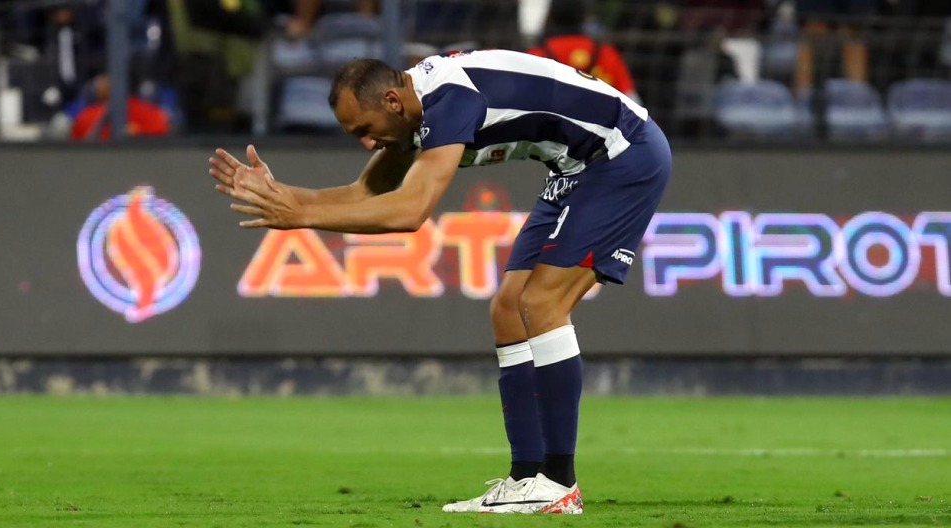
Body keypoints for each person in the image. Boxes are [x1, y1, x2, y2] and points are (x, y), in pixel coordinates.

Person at [208, 49, 671, 514]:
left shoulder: (450, 100)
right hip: (575, 167)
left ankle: (559, 482)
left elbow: (410, 211)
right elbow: (365, 193)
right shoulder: (413, 108)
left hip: (621, 155)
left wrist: (301, 214)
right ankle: (526, 476)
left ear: (392, 100)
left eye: (365, 131)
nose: (368, 145)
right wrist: (281, 197)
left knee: (544, 302)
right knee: (509, 309)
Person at [527, 0, 640, 102]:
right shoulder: (606, 54)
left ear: (550, 17)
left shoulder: (535, 56)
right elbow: (632, 101)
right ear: (584, 17)